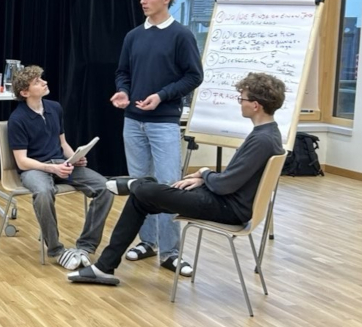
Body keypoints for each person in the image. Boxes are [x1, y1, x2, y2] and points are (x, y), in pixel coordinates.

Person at [70, 72, 286, 286]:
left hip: (227, 208)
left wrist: (204, 172)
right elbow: (233, 179)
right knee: (141, 199)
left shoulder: (262, 140)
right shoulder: (268, 134)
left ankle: (136, 184)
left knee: (145, 190)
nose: (240, 103)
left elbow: (225, 184)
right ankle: (104, 267)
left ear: (255, 105)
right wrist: (204, 179)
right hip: (224, 200)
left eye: (242, 99)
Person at [110, 0, 203, 276]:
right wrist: (123, 91)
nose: (143, 1)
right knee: (141, 184)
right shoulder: (133, 36)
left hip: (163, 123)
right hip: (132, 122)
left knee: (168, 185)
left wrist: (161, 96)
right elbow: (123, 72)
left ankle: (171, 251)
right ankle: (147, 242)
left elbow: (194, 76)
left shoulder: (181, 35)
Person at [7, 65, 115, 270]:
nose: (44, 82)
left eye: (42, 78)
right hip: (34, 168)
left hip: (61, 163)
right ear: (25, 92)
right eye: (37, 82)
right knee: (43, 192)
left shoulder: (54, 108)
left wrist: (75, 158)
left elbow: (63, 143)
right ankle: (56, 250)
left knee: (106, 188)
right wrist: (52, 169)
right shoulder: (17, 119)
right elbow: (22, 161)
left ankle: (86, 246)